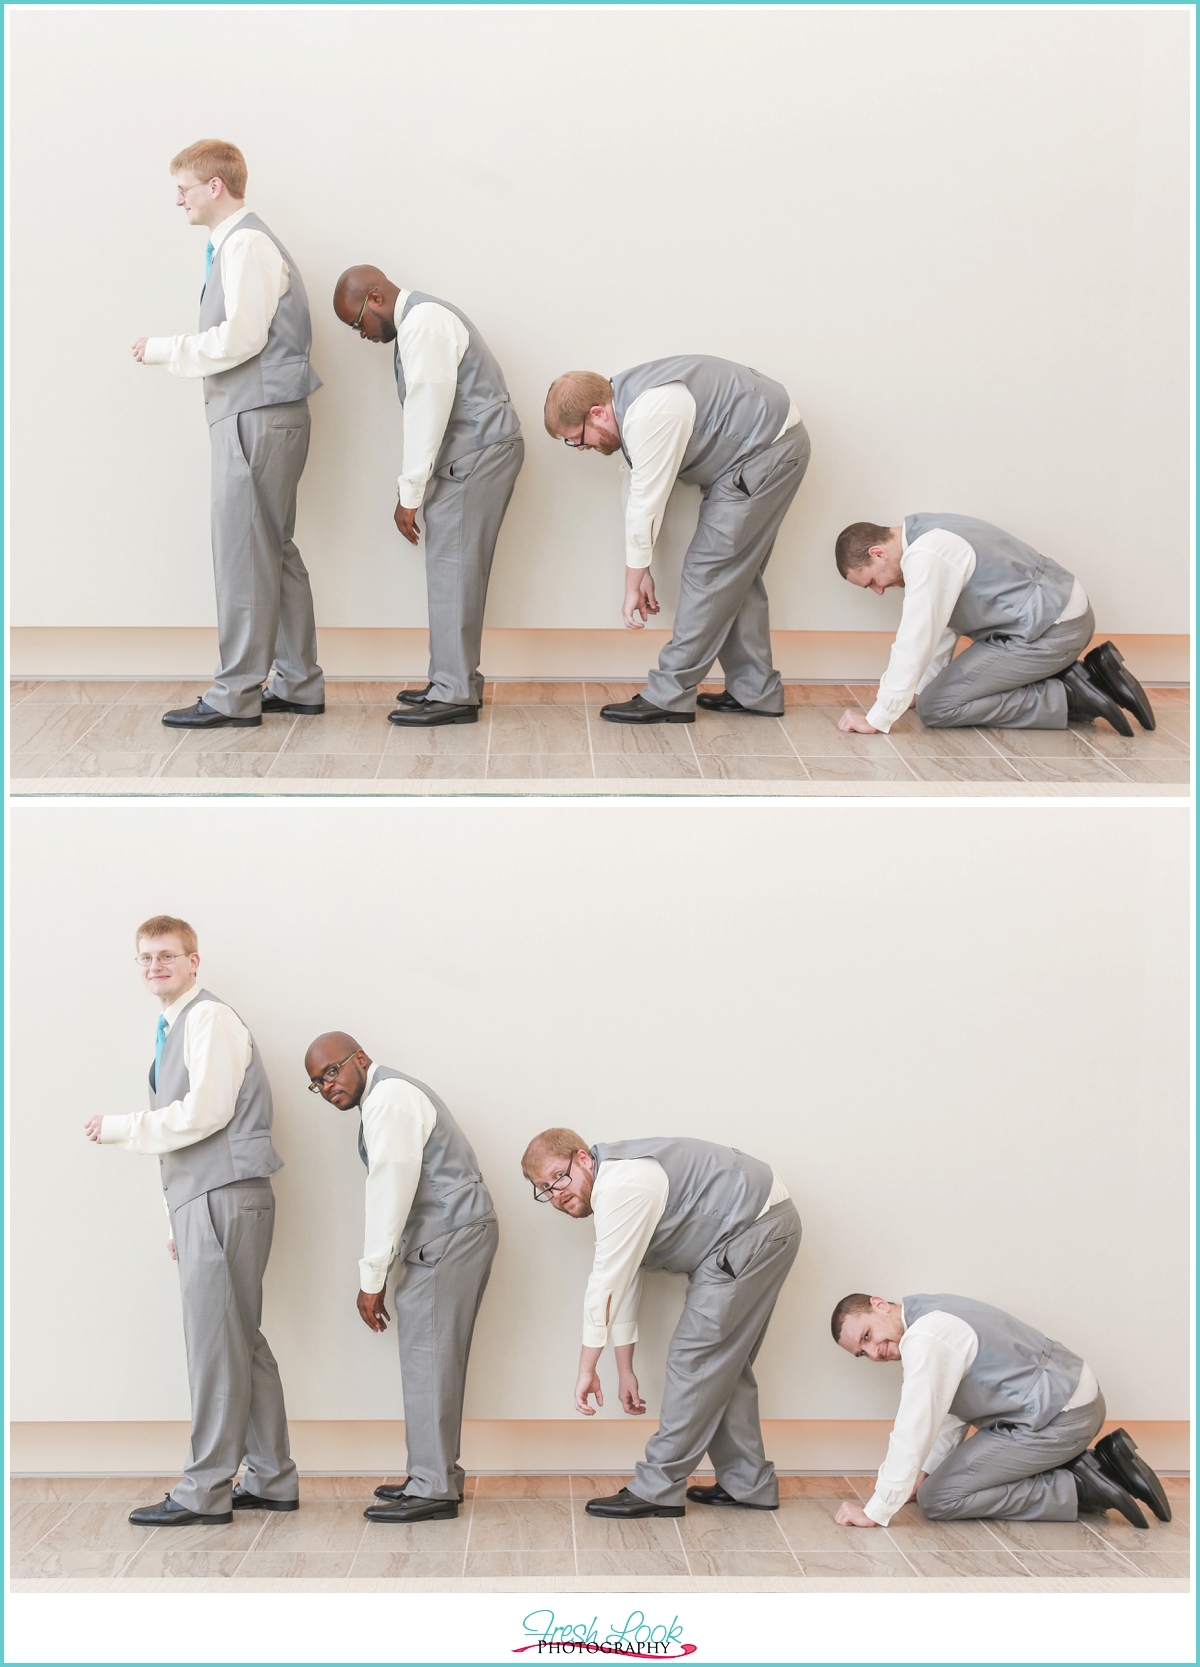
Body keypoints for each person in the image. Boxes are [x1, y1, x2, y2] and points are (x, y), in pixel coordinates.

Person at [84, 915, 298, 1525]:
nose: (156, 967)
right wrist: (175, 1220)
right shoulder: (173, 1025)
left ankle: (205, 1490)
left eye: (168, 956)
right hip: (208, 1199)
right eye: (147, 958)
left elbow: (205, 1113)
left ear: (194, 961)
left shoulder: (209, 1018)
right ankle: (273, 1477)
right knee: (241, 1341)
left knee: (215, 1346)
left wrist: (123, 1126)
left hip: (222, 1195)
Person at [132, 139, 325, 730]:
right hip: (266, 415)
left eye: (184, 189)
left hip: (255, 418)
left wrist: (165, 350)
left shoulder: (245, 245)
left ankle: (235, 693)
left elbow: (242, 338)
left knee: (244, 555)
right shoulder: (240, 245)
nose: (179, 200)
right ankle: (297, 683)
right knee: (272, 550)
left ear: (215, 186)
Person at [522, 1129, 800, 1516]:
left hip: (752, 1227)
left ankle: (658, 1487)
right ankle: (747, 1483)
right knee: (723, 1367)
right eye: (544, 1189)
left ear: (583, 1158)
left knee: (695, 1359)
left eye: (558, 1176)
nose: (556, 1193)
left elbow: (605, 1285)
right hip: (758, 1225)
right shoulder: (613, 1189)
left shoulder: (619, 1186)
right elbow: (626, 1281)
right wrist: (624, 1370)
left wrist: (586, 1368)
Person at [544, 360, 810, 724]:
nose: (578, 447)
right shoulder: (627, 402)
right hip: (762, 448)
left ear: (597, 413)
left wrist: (631, 584)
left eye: (576, 437)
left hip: (766, 451)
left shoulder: (650, 412)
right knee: (735, 577)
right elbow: (636, 487)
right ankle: (756, 690)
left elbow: (646, 504)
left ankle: (669, 694)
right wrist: (643, 568)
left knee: (710, 571)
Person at [304, 1032, 499, 1521]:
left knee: (427, 1356)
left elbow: (388, 1192)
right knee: (431, 1357)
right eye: (317, 1084)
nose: (327, 1087)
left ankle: (432, 1485)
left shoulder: (388, 1099)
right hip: (453, 1231)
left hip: (448, 1233)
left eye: (331, 1072)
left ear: (360, 1059)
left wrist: (372, 1280)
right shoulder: (387, 1095)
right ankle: (434, 1475)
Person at [333, 267, 524, 728]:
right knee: (450, 567)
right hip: (476, 451)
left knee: (453, 567)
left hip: (478, 450)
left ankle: (454, 690)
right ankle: (450, 680)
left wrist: (409, 493)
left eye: (358, 322)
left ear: (375, 297)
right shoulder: (421, 319)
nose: (360, 334)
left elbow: (426, 411)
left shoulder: (423, 323)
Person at [830, 1292, 1171, 1531]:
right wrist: (925, 1471)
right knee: (931, 1486)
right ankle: (1101, 1464)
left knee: (939, 1500)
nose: (874, 1353)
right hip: (1067, 1401)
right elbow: (949, 1410)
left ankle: (1087, 1483)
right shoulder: (932, 1312)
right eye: (863, 1352)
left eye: (868, 1335)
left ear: (879, 1305)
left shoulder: (925, 1339)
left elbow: (913, 1426)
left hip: (1060, 1418)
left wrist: (877, 1508)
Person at [832, 516, 1156, 737]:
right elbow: (943, 626)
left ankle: (1074, 692)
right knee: (929, 696)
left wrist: (878, 718)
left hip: (1050, 631)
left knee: (937, 708)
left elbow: (915, 639)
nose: (879, 590)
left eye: (872, 581)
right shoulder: (929, 532)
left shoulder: (926, 556)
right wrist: (916, 689)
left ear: (878, 553)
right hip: (1056, 618)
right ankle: (1089, 675)